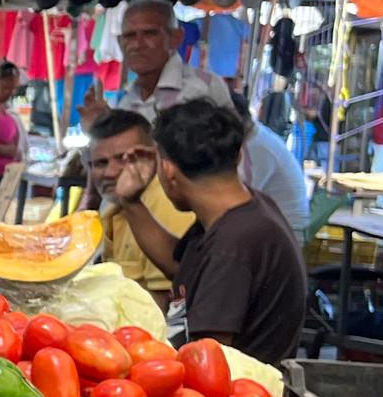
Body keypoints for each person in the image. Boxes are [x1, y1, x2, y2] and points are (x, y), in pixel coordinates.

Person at [131, 97, 308, 364]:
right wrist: (130, 201)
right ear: (237, 155)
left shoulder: (235, 243)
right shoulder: (244, 209)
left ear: (167, 171)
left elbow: (206, 363)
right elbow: (179, 267)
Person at [114, 0, 310, 233]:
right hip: (147, 223)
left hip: (200, 227)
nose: (137, 44)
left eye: (150, 33)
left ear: (175, 38)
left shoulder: (201, 88)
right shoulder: (126, 101)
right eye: (129, 36)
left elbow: (232, 171)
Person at [82, 106, 193, 302]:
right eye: (100, 163)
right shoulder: (114, 209)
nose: (110, 172)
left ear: (151, 157)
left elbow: (166, 304)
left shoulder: (165, 205)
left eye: (124, 159)